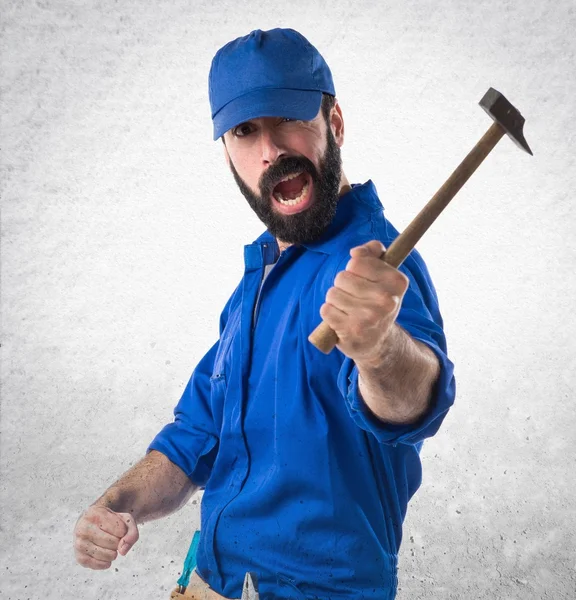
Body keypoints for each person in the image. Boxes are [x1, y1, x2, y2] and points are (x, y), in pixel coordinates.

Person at [73, 28, 456, 600]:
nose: (270, 151)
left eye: (287, 118)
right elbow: (196, 437)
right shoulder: (256, 281)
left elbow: (412, 405)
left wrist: (378, 350)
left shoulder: (376, 268)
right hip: (213, 580)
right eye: (245, 131)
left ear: (336, 123)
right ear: (226, 151)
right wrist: (115, 505)